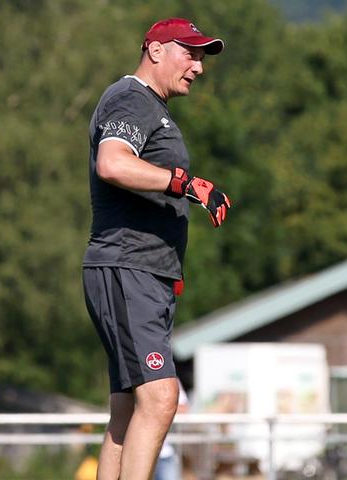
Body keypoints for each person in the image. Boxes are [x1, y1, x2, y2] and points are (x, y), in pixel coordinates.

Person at [82, 17, 231, 480]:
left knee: (128, 411)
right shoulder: (133, 99)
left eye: (202, 57)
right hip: (129, 269)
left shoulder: (147, 106)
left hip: (139, 274)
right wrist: (182, 182)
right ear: (155, 50)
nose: (198, 67)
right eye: (190, 53)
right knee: (162, 397)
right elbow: (112, 162)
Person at [154, 378, 190, 480]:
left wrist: (156, 410)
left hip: (166, 453)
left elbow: (183, 408)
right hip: (139, 454)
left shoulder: (171, 379)